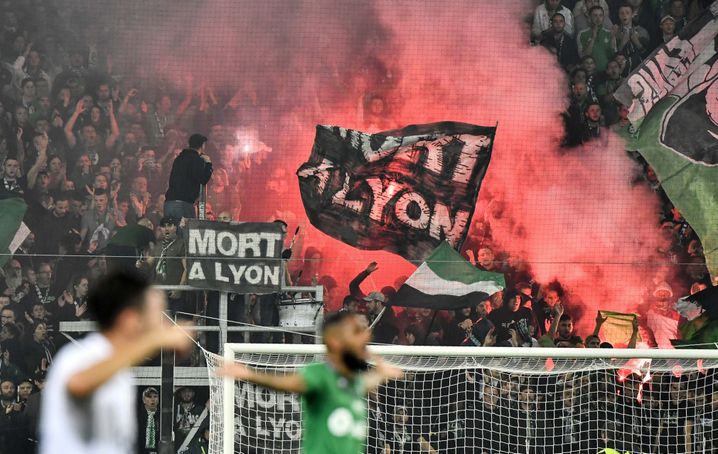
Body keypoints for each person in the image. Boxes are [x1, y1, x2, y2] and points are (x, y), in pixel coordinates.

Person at [38, 270, 193, 454]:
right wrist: (154, 341)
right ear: (130, 318)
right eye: (156, 313)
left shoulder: (119, 369)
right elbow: (79, 383)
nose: (162, 323)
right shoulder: (81, 355)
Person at [218, 310, 403, 454]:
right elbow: (288, 384)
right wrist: (250, 375)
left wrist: (381, 374)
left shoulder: (351, 380)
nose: (365, 336)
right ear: (335, 341)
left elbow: (366, 383)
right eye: (356, 332)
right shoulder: (320, 375)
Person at [164, 133, 213, 221]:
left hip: (169, 203)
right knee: (185, 233)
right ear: (202, 146)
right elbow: (203, 179)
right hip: (183, 205)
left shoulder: (179, 158)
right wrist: (208, 164)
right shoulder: (197, 160)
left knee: (170, 233)